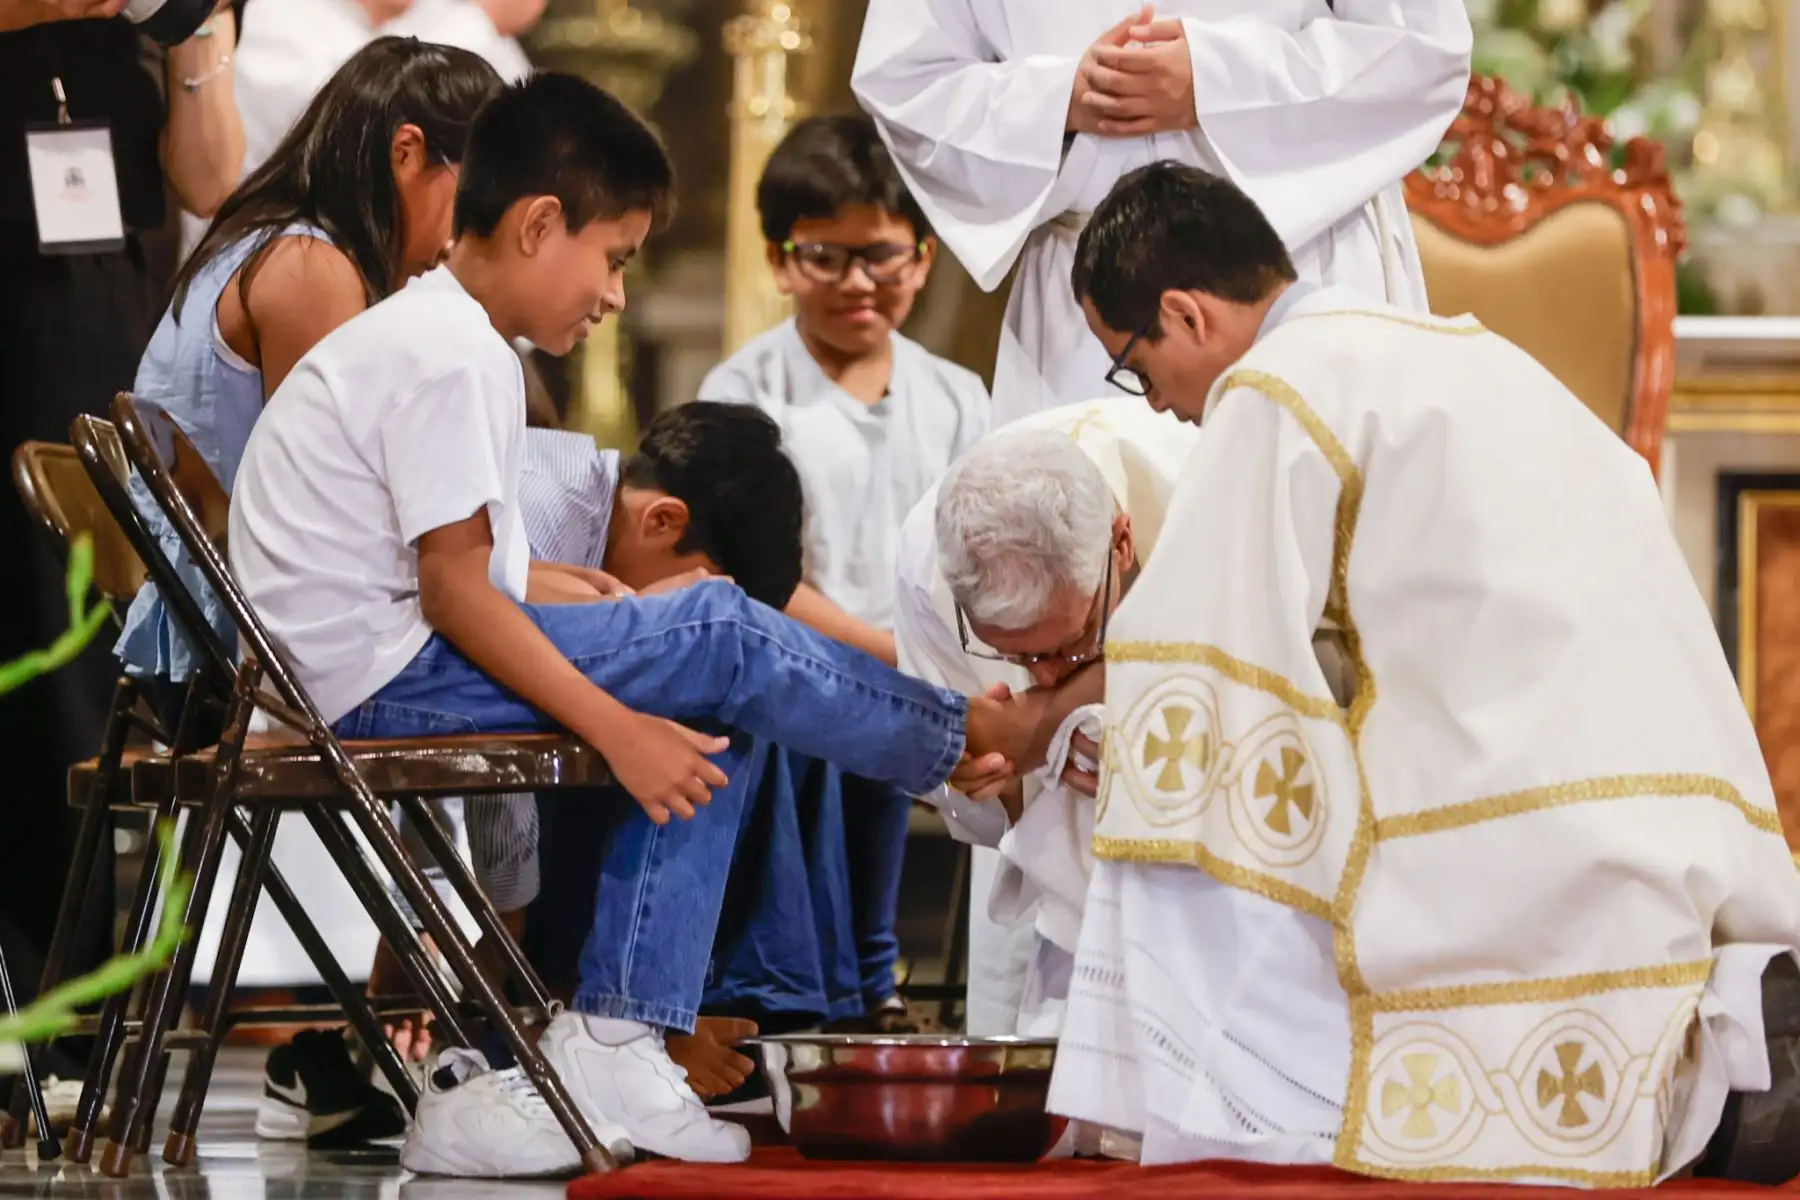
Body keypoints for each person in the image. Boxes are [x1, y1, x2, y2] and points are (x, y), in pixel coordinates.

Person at [226, 72, 1022, 1175]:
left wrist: (602, 648)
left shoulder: (450, 338)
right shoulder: (451, 352)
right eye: (613, 258)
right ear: (539, 225)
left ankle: (617, 1032)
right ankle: (963, 743)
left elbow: (477, 577)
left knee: (702, 676)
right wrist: (614, 722)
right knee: (720, 636)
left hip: (363, 657)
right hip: (368, 673)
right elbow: (455, 594)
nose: (611, 297)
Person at [1009, 160, 1800, 1182]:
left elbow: (1198, 673)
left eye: (1132, 363)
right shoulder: (1482, 356)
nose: (1155, 406)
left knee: (1176, 826)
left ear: (1185, 313)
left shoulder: (1276, 387)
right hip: (1688, 831)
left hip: (1514, 841)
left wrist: (1053, 726)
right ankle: (1726, 1054)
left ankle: (1217, 1121)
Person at [106, 35, 501, 1146]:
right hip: (233, 657)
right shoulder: (314, 266)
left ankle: (395, 1037)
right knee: (516, 675)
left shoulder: (287, 241)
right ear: (410, 152)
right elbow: (332, 514)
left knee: (506, 644)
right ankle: (487, 1026)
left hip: (221, 633)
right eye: (478, 194)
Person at [697, 112, 989, 1034]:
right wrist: (880, 652)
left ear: (926, 258)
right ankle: (837, 985)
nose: (858, 283)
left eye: (883, 257)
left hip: (929, 658)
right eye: (826, 257)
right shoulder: (742, 395)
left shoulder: (956, 397)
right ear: (781, 261)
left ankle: (879, 980)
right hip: (800, 657)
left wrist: (933, 657)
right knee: (834, 712)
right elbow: (751, 574)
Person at [0, 0, 242, 1094]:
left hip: (104, 289)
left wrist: (192, 27)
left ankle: (74, 1010)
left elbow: (207, 177)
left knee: (87, 647)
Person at [850, 0, 1473, 425]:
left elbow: (1421, 48)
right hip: (1089, 305)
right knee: (1099, 588)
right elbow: (906, 79)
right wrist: (1060, 99)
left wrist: (1217, 81)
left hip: (1298, 260)